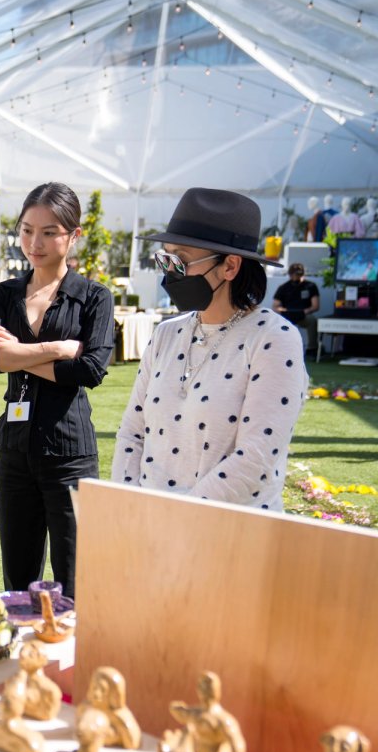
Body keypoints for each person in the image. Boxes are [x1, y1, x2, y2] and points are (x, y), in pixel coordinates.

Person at [112, 187, 308, 512]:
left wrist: (178, 518)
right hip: (150, 532)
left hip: (228, 535)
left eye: (181, 260)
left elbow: (256, 457)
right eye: (166, 258)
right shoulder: (166, 334)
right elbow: (132, 433)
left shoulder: (274, 338)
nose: (170, 272)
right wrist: (130, 508)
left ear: (230, 267)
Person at [0, 182, 114, 597]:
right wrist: (54, 349)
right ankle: (21, 660)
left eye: (49, 231)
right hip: (14, 452)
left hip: (70, 453)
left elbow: (90, 368)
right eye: (26, 230)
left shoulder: (93, 298)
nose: (35, 242)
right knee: (18, 578)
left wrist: (17, 352)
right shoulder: (4, 294)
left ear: (73, 235)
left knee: (73, 578)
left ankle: (69, 661)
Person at [272, 263, 320, 351]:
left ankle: (312, 348)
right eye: (294, 274)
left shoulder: (310, 286)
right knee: (276, 322)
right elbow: (275, 306)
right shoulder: (283, 287)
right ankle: (279, 348)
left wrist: (306, 311)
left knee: (312, 320)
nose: (296, 277)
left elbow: (315, 306)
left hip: (303, 314)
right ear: (290, 274)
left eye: (299, 274)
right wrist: (283, 311)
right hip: (287, 316)